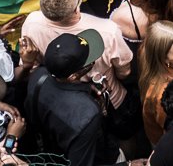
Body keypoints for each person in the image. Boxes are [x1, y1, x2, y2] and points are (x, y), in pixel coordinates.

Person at [25, 30, 122, 166]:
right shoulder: (87, 113)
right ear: (73, 76)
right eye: (90, 63)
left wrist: (86, 89)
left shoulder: (38, 76)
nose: (92, 62)